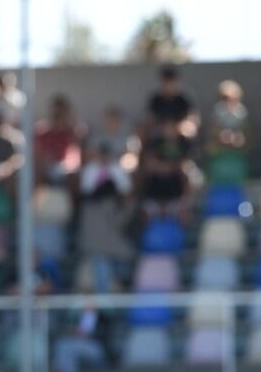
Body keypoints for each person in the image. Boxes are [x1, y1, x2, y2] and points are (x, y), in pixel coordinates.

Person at [76, 141, 135, 293]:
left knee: (111, 266)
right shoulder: (89, 172)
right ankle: (104, 301)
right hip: (98, 238)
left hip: (112, 239)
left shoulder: (118, 170)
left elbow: (126, 195)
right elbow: (86, 192)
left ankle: (108, 299)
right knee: (101, 264)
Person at [146, 64, 196, 138]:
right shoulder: (156, 100)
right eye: (166, 82)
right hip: (160, 135)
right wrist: (163, 128)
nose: (169, 86)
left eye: (171, 81)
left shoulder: (183, 100)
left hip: (180, 134)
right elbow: (149, 121)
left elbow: (192, 121)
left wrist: (178, 127)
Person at [205, 80, 250, 157]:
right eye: (225, 98)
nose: (228, 101)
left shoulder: (242, 112)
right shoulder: (218, 110)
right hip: (219, 143)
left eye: (231, 98)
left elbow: (246, 131)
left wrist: (236, 137)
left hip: (237, 144)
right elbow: (212, 129)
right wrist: (222, 135)